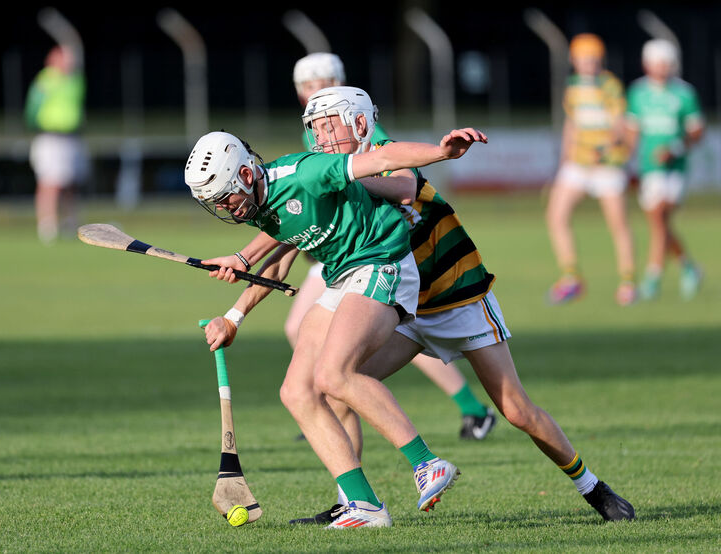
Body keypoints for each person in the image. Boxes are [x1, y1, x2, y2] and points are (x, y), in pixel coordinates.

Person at [204, 87, 635, 525]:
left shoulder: (379, 158)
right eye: (313, 128)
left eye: (327, 125)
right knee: (329, 385)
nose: (319, 137)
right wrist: (239, 291)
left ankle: (592, 487)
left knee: (516, 410)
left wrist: (437, 153)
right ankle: (356, 500)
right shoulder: (324, 176)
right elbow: (287, 236)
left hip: (456, 296)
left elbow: (403, 183)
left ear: (358, 124)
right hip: (396, 306)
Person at [187, 124, 488, 528]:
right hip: (342, 276)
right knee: (297, 391)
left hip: (383, 259)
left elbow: (381, 160)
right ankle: (365, 506)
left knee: (334, 373)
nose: (225, 208)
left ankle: (427, 464)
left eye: (225, 198)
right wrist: (234, 316)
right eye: (216, 204)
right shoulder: (262, 207)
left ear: (245, 174)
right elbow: (278, 258)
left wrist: (442, 152)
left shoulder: (304, 173)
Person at [289, 53, 496, 440]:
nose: (314, 92)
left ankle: (328, 406)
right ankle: (324, 405)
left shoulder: (358, 125)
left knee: (380, 337)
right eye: (306, 86)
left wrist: (436, 153)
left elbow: (392, 168)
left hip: (373, 249)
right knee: (321, 337)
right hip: (341, 247)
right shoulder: (313, 131)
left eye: (323, 83)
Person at [545, 33, 636, 306]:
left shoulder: (609, 85)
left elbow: (621, 124)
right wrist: (563, 159)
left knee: (617, 224)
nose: (588, 63)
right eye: (583, 59)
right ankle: (571, 278)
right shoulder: (572, 87)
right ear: (574, 60)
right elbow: (572, 124)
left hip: (607, 164)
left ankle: (628, 282)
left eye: (593, 59)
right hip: (578, 162)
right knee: (556, 216)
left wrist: (608, 148)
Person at [625, 39, 705, 301]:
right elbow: (632, 132)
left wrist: (676, 148)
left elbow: (696, 132)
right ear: (646, 64)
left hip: (675, 169)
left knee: (659, 217)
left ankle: (652, 279)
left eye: (665, 63)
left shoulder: (684, 93)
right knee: (660, 223)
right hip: (649, 168)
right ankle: (688, 267)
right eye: (656, 63)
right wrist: (624, 158)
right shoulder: (638, 93)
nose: (661, 68)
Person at [25, 44, 89, 244]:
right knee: (49, 183)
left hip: (71, 137)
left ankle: (71, 224)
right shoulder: (46, 80)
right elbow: (32, 109)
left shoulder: (76, 80)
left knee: (71, 183)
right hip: (50, 137)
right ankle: (47, 226)